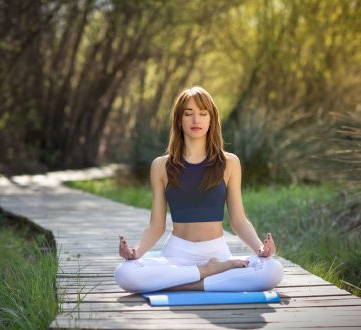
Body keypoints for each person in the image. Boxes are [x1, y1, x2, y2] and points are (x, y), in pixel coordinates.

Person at [114, 86, 284, 293]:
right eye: (189, 114)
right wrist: (136, 252)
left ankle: (181, 282)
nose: (196, 120)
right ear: (179, 120)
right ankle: (206, 273)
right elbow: (156, 226)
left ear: (211, 120)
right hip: (177, 253)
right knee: (124, 273)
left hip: (217, 252)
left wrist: (260, 249)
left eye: (203, 114)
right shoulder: (160, 166)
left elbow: (238, 221)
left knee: (273, 270)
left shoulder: (230, 163)